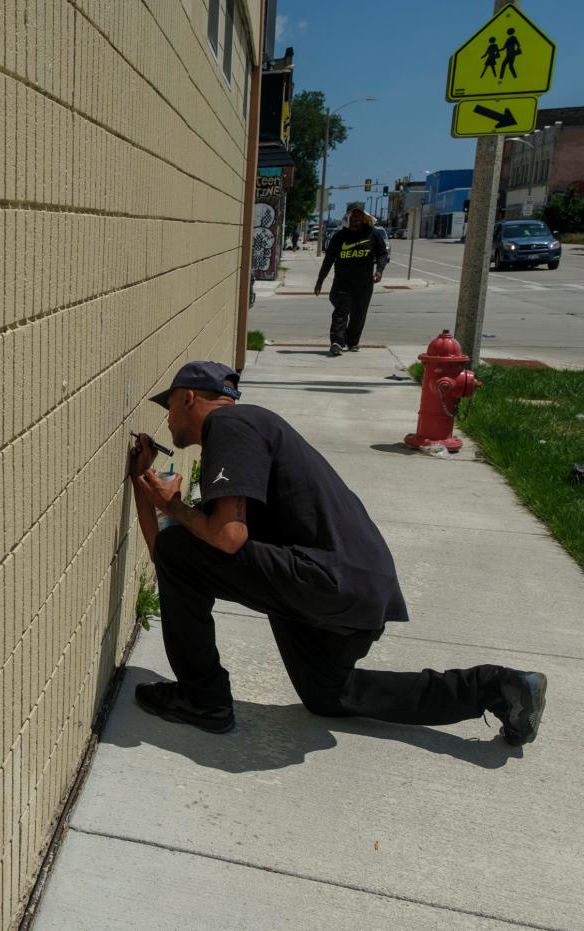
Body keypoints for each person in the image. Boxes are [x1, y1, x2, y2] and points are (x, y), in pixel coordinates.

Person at [126, 360, 548, 744]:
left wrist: (175, 507)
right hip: (358, 590)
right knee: (328, 694)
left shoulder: (232, 425)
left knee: (187, 543)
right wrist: (146, 484)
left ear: (189, 398)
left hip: (327, 580)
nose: (168, 418)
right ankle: (498, 687)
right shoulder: (251, 447)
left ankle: (203, 699)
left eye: (170, 406)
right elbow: (168, 554)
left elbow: (224, 539)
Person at [315, 204, 389, 356]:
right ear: (348, 219)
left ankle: (352, 342)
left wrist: (380, 270)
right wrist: (320, 281)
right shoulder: (339, 237)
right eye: (353, 218)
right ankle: (337, 342)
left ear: (364, 219)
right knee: (340, 313)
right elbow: (328, 260)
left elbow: (382, 254)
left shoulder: (373, 234)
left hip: (364, 283)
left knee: (359, 314)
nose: (356, 221)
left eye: (359, 218)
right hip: (343, 282)